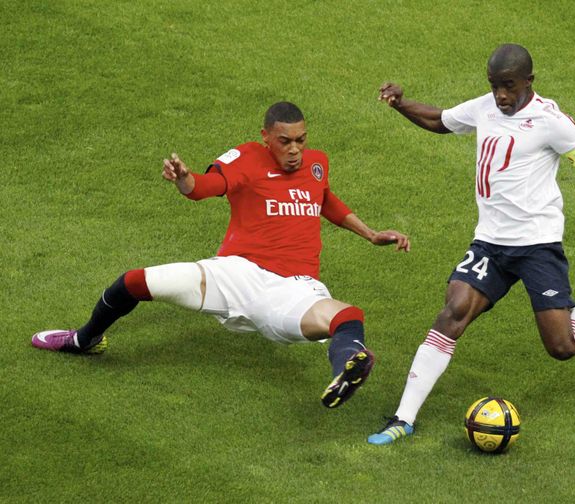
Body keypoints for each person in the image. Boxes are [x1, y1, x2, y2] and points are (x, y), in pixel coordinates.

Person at [367, 44, 575, 444]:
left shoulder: (550, 120)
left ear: (528, 82)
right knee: (452, 313)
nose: (501, 96)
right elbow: (440, 120)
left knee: (562, 346)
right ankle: (403, 418)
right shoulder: (485, 107)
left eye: (509, 86)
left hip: (538, 245)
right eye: (494, 86)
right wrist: (401, 104)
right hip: (490, 243)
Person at [32, 101, 410, 409]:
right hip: (235, 273)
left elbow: (323, 198)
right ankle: (83, 340)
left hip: (293, 289)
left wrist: (370, 233)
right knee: (135, 281)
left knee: (346, 316)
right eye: (284, 141)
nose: (294, 149)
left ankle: (347, 365)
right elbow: (205, 187)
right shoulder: (245, 159)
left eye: (300, 140)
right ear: (265, 137)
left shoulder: (316, 163)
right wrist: (184, 178)